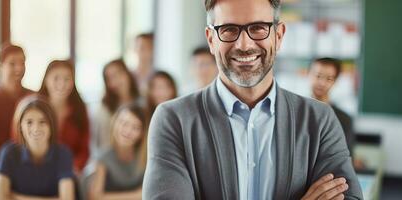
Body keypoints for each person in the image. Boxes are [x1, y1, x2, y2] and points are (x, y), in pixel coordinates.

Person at [142, 0, 363, 199]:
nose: (244, 45)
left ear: (278, 36)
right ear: (211, 40)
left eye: (258, 28)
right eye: (229, 30)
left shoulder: (320, 119)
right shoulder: (173, 120)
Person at [0, 95, 75, 200]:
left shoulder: (63, 153)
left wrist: (17, 197)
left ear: (52, 125)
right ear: (20, 126)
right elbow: (0, 198)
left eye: (42, 122)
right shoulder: (8, 152)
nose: (36, 129)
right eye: (29, 122)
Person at [0, 44, 33, 198]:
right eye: (12, 63)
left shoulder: (34, 99)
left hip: (32, 174)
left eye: (22, 63)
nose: (19, 68)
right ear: (0, 66)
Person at [38, 60, 90, 172]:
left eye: (67, 79)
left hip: (69, 172)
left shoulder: (80, 109)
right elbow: (20, 143)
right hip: (37, 170)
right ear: (46, 80)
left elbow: (84, 150)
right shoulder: (33, 108)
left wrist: (71, 169)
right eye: (56, 78)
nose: (62, 84)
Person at [88, 103, 147, 200]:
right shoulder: (104, 157)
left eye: (135, 128)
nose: (128, 131)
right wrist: (137, 195)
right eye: (124, 124)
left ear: (142, 133)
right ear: (114, 123)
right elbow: (95, 197)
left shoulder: (146, 156)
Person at [91, 59, 140, 159]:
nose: (117, 80)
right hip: (111, 160)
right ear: (108, 84)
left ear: (127, 73)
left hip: (139, 158)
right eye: (111, 78)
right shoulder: (104, 109)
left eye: (119, 73)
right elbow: (101, 144)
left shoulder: (142, 101)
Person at [308, 57, 354, 153]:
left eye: (329, 78)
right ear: (309, 75)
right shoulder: (295, 113)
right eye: (318, 76)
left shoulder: (344, 120)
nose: (322, 83)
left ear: (335, 81)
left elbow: (345, 157)